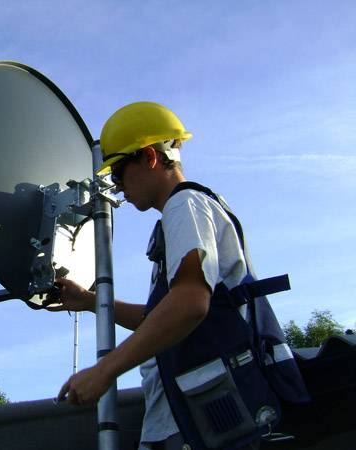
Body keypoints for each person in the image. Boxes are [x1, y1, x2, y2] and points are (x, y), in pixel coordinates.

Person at [48, 102, 309, 450]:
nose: (118, 187)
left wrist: (104, 370)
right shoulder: (184, 214)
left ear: (149, 157)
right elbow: (163, 319)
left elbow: (189, 305)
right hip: (189, 420)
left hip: (205, 421)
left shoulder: (185, 206)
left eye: (119, 172)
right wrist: (90, 301)